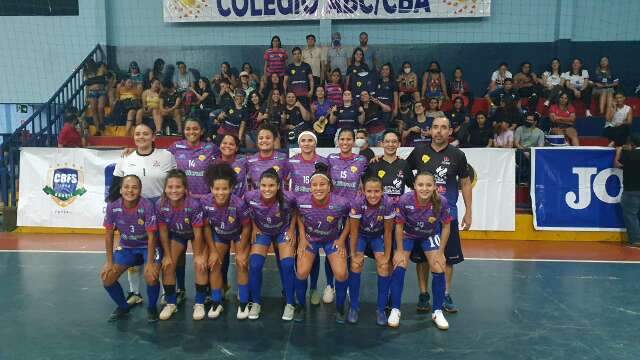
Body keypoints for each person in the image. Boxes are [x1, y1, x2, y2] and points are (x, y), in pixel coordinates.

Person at [406, 117, 472, 315]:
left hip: (447, 216)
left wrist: (469, 211)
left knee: (447, 258)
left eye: (443, 128)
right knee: (422, 259)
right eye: (435, 127)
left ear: (449, 131)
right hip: (421, 216)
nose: (439, 131)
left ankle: (444, 293)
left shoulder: (458, 155)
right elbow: (404, 171)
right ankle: (424, 294)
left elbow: (466, 183)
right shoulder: (419, 152)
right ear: (430, 130)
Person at [109, 122, 177, 307]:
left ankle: (166, 293)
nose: (141, 137)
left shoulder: (166, 156)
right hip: (133, 212)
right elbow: (116, 190)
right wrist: (115, 216)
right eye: (138, 134)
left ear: (153, 136)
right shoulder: (126, 158)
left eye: (145, 134)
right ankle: (135, 292)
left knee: (160, 254)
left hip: (160, 210)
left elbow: (174, 183)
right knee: (133, 252)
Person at [389, 171, 452, 330]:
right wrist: (399, 251)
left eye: (428, 185)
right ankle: (395, 309)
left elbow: (446, 227)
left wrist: (440, 252)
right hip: (407, 235)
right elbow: (399, 226)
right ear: (415, 186)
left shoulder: (441, 201)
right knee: (399, 265)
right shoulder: (405, 200)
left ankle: (437, 311)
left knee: (438, 266)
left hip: (429, 235)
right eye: (420, 185)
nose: (424, 188)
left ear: (435, 187)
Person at [101, 175, 165, 322]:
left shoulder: (147, 206)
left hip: (147, 247)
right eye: (127, 187)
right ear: (121, 189)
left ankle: (151, 308)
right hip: (127, 247)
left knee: (151, 276)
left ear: (140, 190)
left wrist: (149, 263)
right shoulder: (113, 206)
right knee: (107, 278)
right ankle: (123, 307)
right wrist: (109, 262)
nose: (130, 190)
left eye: (134, 187)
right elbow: (109, 235)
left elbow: (152, 236)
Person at [293, 163, 350, 323]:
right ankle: (301, 307)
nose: (318, 188)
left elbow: (350, 220)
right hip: (311, 240)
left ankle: (339, 308)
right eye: (314, 185)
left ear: (329, 186)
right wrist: (302, 238)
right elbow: (298, 216)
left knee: (340, 273)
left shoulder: (341, 203)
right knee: (302, 272)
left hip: (332, 240)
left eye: (322, 184)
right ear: (310, 187)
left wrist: (341, 238)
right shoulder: (301, 202)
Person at [245, 169, 298, 320]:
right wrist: (255, 227)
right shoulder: (250, 196)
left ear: (278, 186)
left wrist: (292, 229)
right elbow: (249, 211)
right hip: (263, 231)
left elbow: (296, 212)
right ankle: (255, 303)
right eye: (263, 185)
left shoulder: (289, 197)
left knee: (288, 265)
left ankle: (289, 303)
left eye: (271, 186)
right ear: (258, 185)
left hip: (282, 231)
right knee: (254, 264)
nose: (267, 189)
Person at [201, 163, 252, 320]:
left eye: (224, 189)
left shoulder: (239, 204)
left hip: (238, 235)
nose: (220, 192)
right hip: (219, 235)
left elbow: (247, 228)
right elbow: (206, 228)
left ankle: (244, 302)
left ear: (231, 188)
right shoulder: (205, 202)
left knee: (242, 264)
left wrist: (241, 251)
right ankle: (217, 301)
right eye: (217, 189)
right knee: (214, 264)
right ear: (211, 188)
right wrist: (213, 251)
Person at [156, 170, 207, 321]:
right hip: (177, 234)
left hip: (195, 234)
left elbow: (198, 233)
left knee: (199, 265)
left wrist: (198, 255)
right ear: (165, 188)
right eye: (170, 187)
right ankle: (171, 303)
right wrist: (167, 255)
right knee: (168, 264)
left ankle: (199, 303)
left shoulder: (194, 205)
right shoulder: (160, 204)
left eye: (178, 187)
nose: (173, 190)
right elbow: (163, 231)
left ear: (185, 189)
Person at [288, 131, 330, 305]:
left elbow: (329, 185)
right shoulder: (291, 162)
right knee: (299, 252)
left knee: (314, 251)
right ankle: (298, 291)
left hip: (317, 213)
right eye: (303, 140)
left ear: (315, 143)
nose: (306, 143)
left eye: (310, 140)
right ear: (299, 143)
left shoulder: (323, 161)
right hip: (297, 214)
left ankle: (313, 288)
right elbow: (282, 183)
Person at [347, 176, 394, 324]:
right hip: (361, 236)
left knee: (384, 266)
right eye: (369, 191)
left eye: (376, 191)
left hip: (377, 236)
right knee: (355, 264)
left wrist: (387, 255)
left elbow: (387, 232)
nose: (373, 195)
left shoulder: (388, 203)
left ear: (382, 191)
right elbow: (353, 232)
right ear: (363, 191)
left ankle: (380, 309)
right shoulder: (357, 202)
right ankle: (354, 307)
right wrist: (353, 254)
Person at [167, 118, 220, 200]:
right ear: (184, 131)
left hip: (204, 197)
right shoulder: (175, 146)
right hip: (180, 196)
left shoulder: (211, 148)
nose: (191, 132)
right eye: (188, 129)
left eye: (195, 129)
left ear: (202, 131)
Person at [367, 130, 415, 199]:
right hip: (379, 208)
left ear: (399, 144)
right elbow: (366, 189)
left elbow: (413, 187)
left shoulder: (404, 164)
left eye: (394, 142)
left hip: (398, 208)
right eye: (387, 141)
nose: (390, 144)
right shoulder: (373, 163)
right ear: (381, 144)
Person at [247, 124, 289, 190]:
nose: (264, 140)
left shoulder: (283, 158)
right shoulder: (250, 160)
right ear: (257, 141)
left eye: (268, 138)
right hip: (257, 199)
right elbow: (248, 184)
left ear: (274, 140)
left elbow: (287, 182)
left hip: (278, 198)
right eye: (261, 138)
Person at [619, 135, 640, 247]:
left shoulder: (628, 155)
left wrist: (619, 151)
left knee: (631, 215)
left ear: (632, 144)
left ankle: (636, 240)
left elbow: (617, 164)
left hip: (631, 190)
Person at [514, 113, 545, 183]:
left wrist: (531, 153)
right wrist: (524, 151)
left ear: (535, 122)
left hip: (533, 153)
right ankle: (523, 180)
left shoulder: (540, 132)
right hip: (520, 151)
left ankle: (528, 181)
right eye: (527, 119)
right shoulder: (519, 129)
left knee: (534, 160)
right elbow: (516, 143)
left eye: (530, 120)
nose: (528, 121)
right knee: (522, 159)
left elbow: (540, 147)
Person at [84, 59, 107, 135]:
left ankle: (102, 123)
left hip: (101, 91)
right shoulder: (87, 73)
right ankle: (97, 129)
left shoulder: (100, 69)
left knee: (100, 108)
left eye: (88, 65)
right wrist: (86, 96)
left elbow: (110, 76)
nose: (87, 66)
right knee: (94, 110)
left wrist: (108, 87)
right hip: (92, 92)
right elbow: (87, 86)